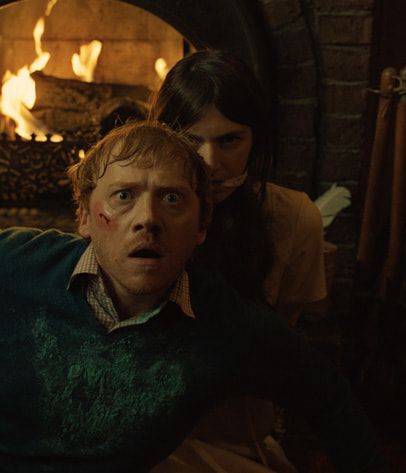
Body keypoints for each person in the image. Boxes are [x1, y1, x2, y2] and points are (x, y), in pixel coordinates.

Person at [0, 122, 382, 473]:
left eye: (172, 199)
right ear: (83, 216)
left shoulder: (226, 329)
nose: (147, 219)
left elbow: (327, 395)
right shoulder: (1, 262)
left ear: (201, 228)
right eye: (123, 196)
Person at [149, 49, 329, 472]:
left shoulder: (294, 219)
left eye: (229, 140)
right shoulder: (138, 219)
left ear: (255, 140)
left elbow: (279, 348)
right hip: (147, 432)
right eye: (192, 140)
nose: (211, 163)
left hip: (236, 435)